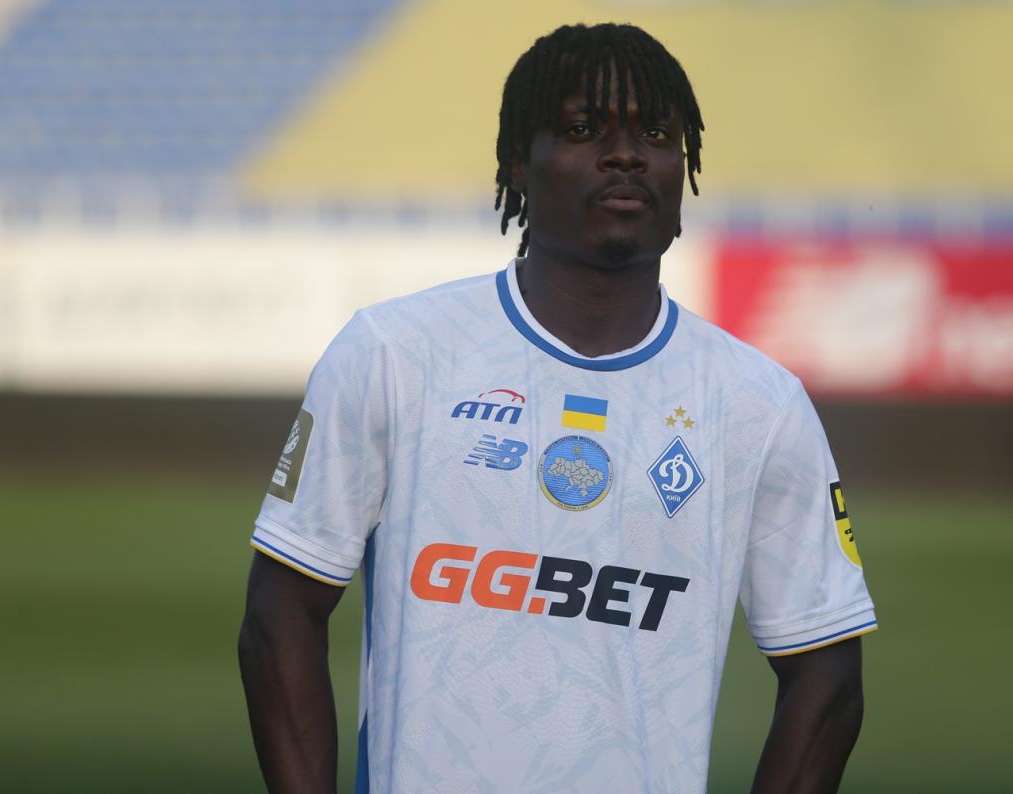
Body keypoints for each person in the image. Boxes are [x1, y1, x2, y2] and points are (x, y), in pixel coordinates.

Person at [238, 22, 876, 794]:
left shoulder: (758, 404)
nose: (625, 154)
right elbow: (280, 612)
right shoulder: (395, 353)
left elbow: (826, 674)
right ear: (518, 161)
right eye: (583, 129)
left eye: (656, 134)